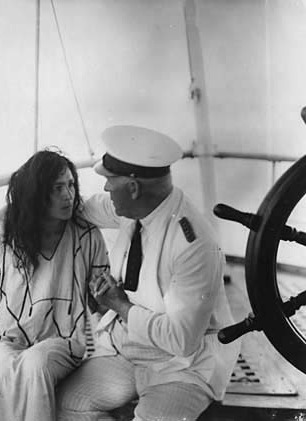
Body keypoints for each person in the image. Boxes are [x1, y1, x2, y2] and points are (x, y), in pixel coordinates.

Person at [55, 125, 241, 421]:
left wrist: (119, 305)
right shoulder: (132, 209)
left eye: (109, 181)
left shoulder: (194, 244)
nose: (106, 189)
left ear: (133, 188)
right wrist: (11, 211)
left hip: (182, 366)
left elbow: (182, 340)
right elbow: (75, 208)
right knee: (67, 405)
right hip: (127, 352)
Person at [0, 150, 109, 421]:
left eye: (71, 185)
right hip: (3, 338)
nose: (68, 195)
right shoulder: (4, 237)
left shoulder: (87, 235)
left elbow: (101, 301)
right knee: (1, 371)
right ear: (38, 194)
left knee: (35, 364)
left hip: (63, 341)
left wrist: (107, 298)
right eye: (57, 188)